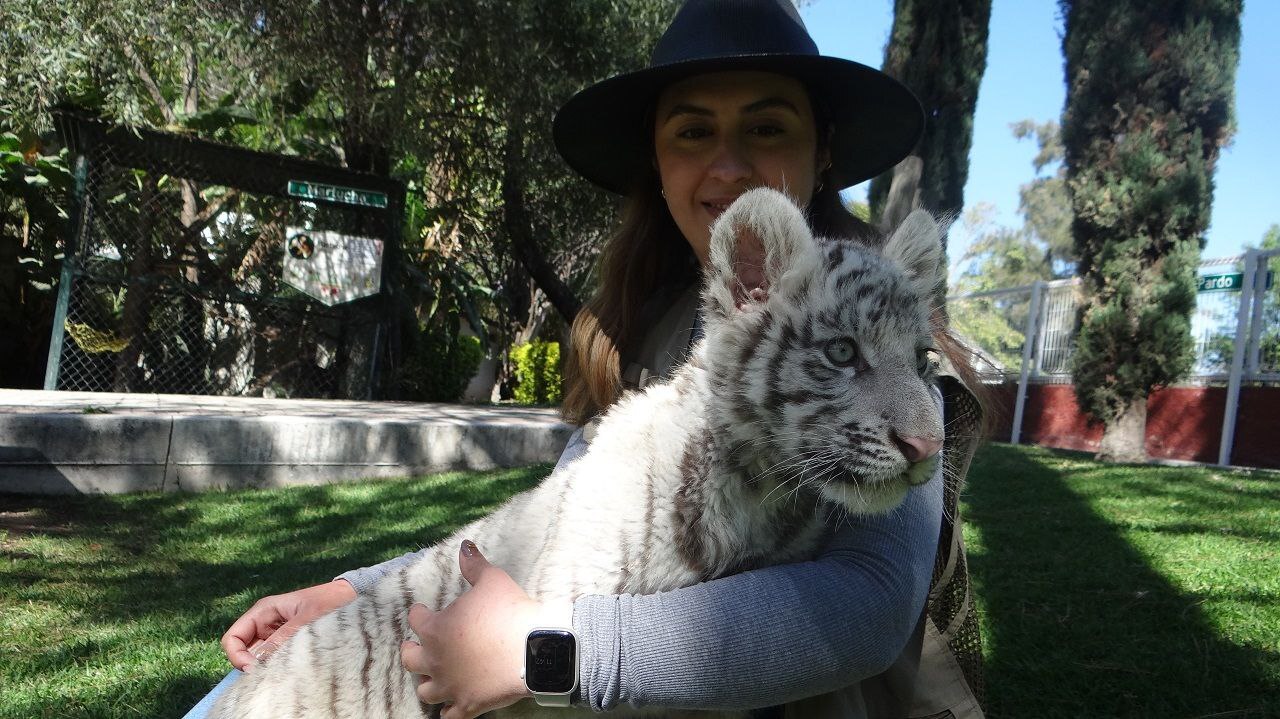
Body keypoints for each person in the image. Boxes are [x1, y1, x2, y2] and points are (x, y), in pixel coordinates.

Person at [201, 1, 988, 717]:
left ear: (824, 154)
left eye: (768, 126)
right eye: (692, 131)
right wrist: (348, 591)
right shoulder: (662, 329)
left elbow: (869, 603)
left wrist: (548, 652)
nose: (727, 164)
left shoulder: (881, 314)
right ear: (657, 161)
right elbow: (537, 519)